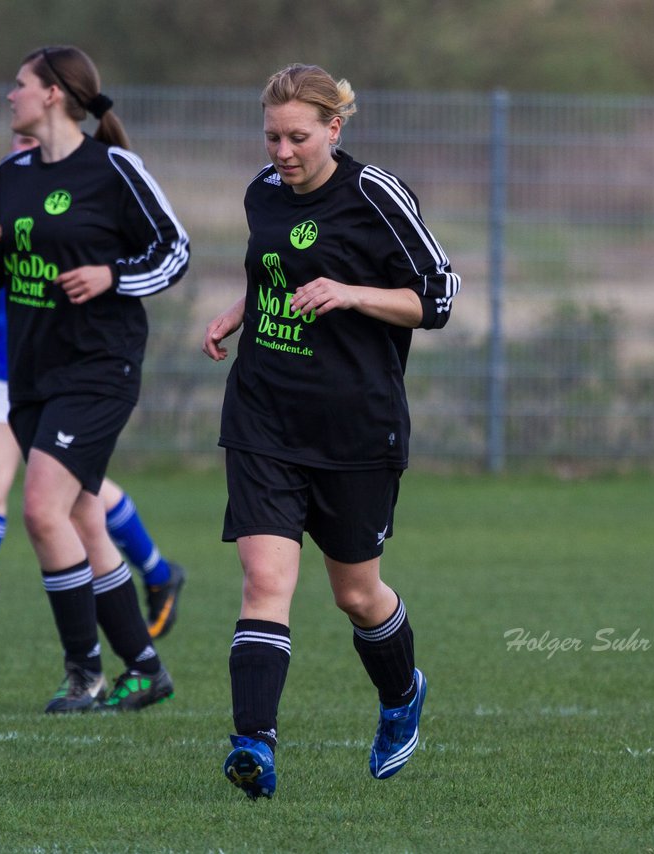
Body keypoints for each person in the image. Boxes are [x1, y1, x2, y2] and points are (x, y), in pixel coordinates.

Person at [202, 64, 460, 797]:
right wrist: (240, 311)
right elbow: (273, 274)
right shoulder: (262, 192)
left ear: (334, 128)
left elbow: (439, 296)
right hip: (263, 415)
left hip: (355, 429)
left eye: (298, 137)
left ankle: (402, 693)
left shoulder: (374, 194)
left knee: (356, 595)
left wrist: (350, 293)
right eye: (272, 136)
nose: (282, 151)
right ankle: (253, 745)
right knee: (264, 580)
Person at [0, 46, 190, 713]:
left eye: (20, 85)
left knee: (40, 510)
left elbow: (173, 251)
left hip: (98, 367)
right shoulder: (12, 174)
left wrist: (112, 276)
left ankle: (83, 672)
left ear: (55, 94)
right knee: (84, 518)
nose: (11, 96)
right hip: (32, 374)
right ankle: (144, 667)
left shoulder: (113, 169)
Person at [0, 134, 186, 644]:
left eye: (32, 137)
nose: (23, 146)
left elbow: (166, 250)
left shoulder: (90, 189)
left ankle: (155, 577)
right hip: (10, 364)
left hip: (73, 369)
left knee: (72, 493)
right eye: (17, 139)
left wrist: (109, 276)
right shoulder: (12, 185)